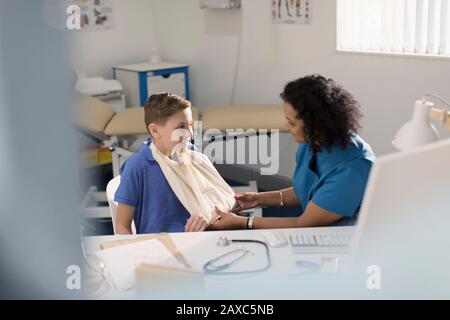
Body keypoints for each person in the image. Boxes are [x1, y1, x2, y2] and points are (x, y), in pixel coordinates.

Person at [211, 74, 375, 230]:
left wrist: (245, 222)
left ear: (316, 125)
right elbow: (305, 190)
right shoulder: (313, 141)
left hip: (343, 240)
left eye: (291, 122)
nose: (286, 127)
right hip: (314, 225)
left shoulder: (351, 169)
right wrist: (258, 199)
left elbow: (305, 223)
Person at [115, 93, 210, 234]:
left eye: (190, 125)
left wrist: (207, 217)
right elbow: (122, 225)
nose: (190, 133)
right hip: (157, 248)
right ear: (155, 130)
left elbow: (211, 201)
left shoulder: (192, 154)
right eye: (181, 127)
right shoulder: (137, 166)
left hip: (197, 240)